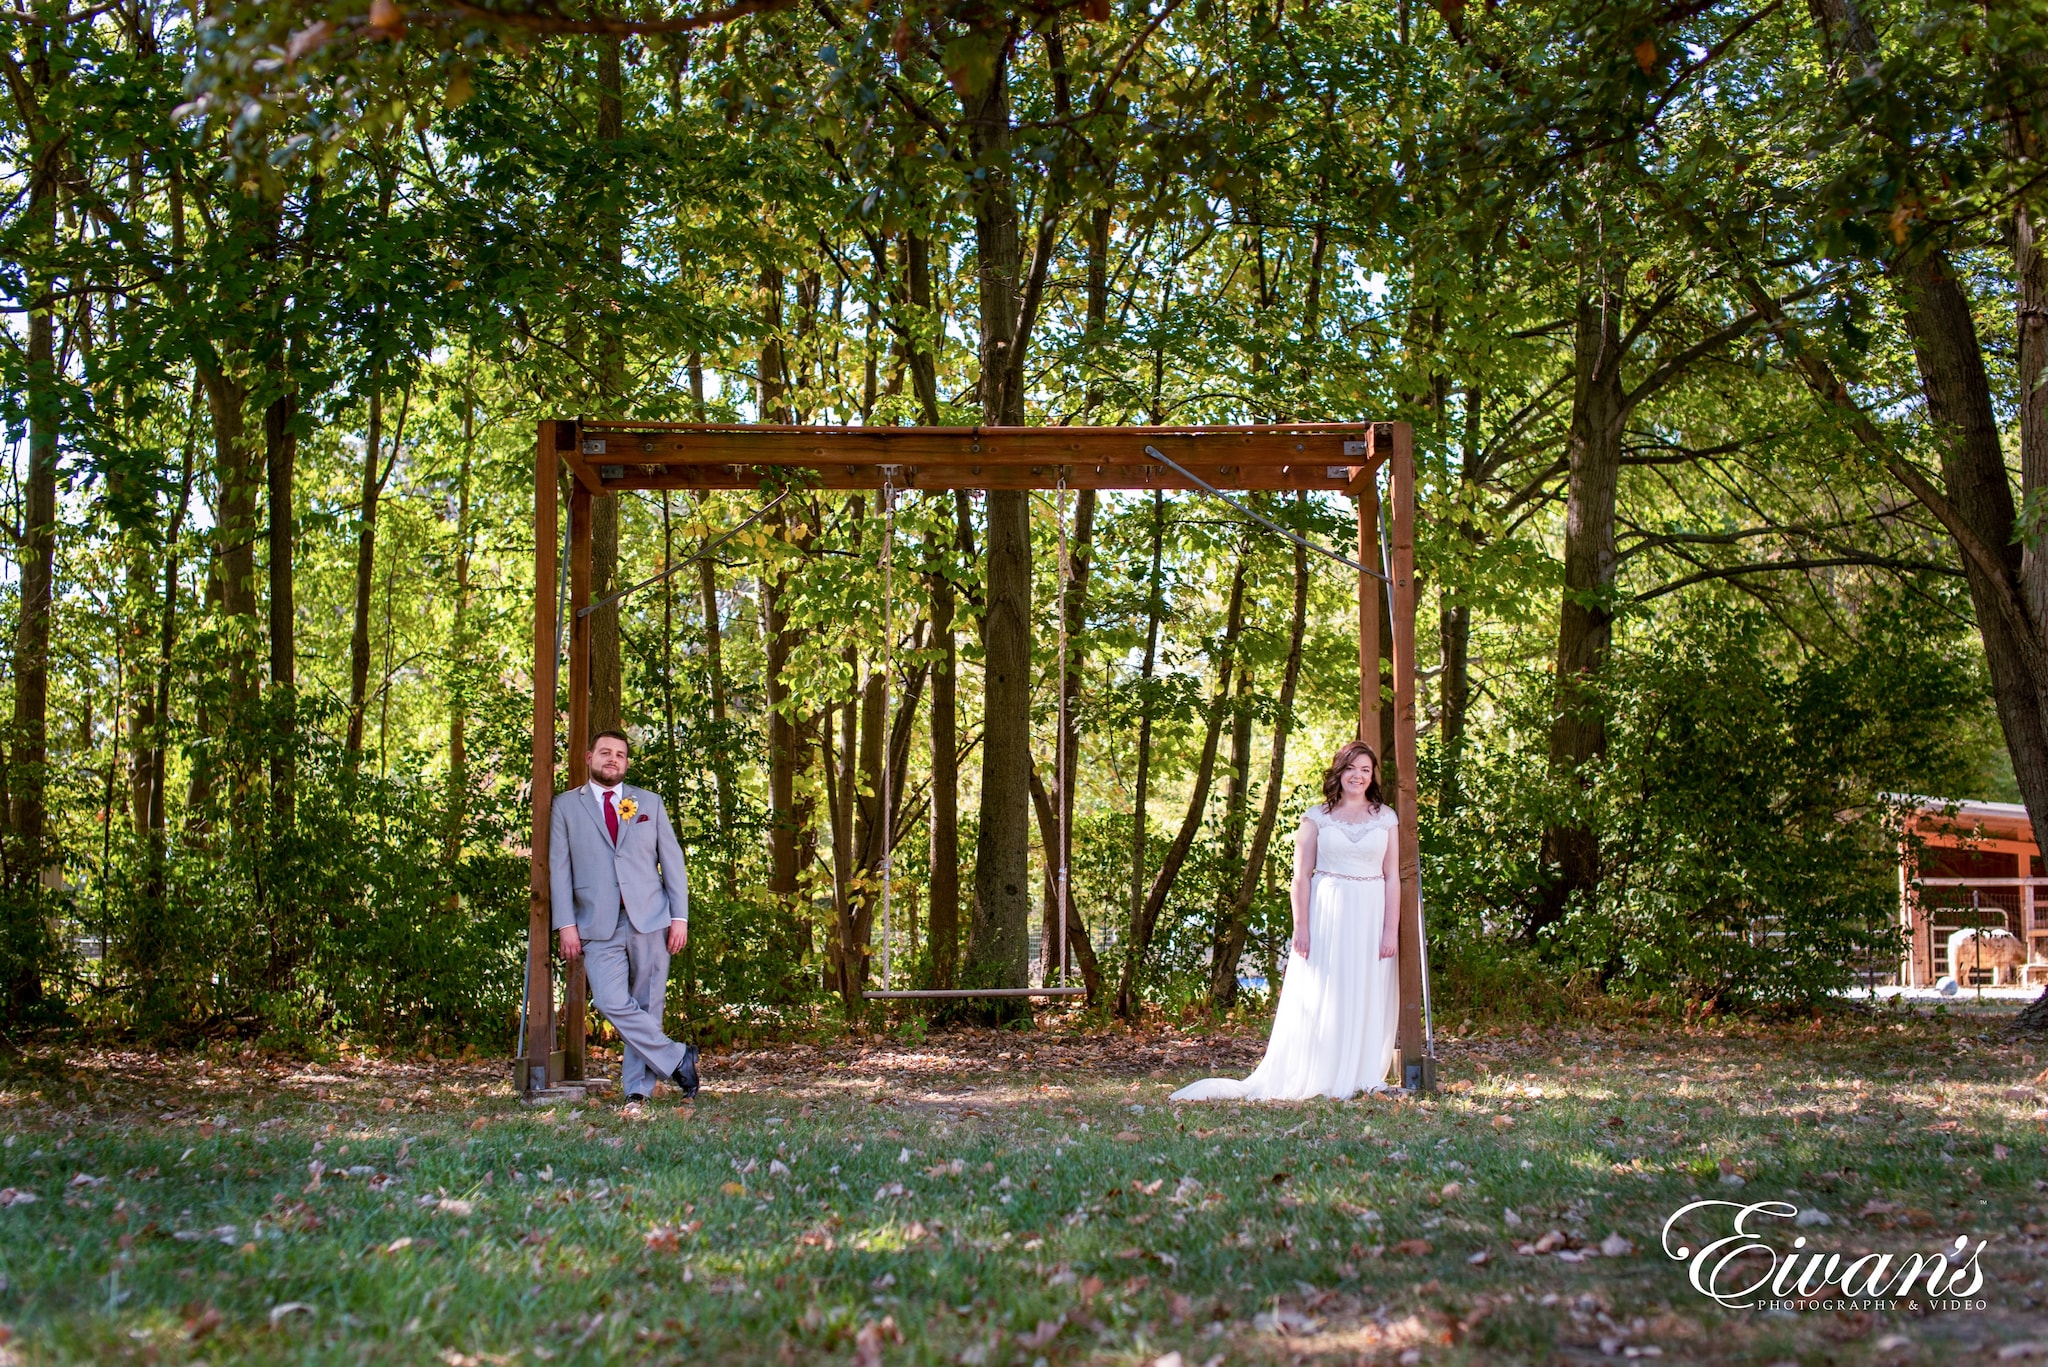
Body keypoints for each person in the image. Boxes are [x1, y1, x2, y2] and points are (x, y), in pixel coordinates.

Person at [1171, 739, 1400, 1101]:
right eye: (1351, 768)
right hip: (1328, 915)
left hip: (1371, 913)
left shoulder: (1385, 818)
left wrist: (1390, 930)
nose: (1358, 776)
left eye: (1365, 770)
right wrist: (1302, 927)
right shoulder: (1316, 817)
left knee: (1366, 987)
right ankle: (1323, 1073)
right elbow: (1301, 877)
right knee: (1330, 991)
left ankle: (1364, 1073)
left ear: (1372, 777)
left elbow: (1392, 877)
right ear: (1339, 772)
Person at [550, 729, 701, 1102]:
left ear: (627, 763)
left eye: (619, 754)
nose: (612, 759)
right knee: (609, 999)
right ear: (589, 758)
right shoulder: (567, 806)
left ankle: (638, 1090)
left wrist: (679, 917)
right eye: (605, 752)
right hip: (596, 923)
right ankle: (678, 1057)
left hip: (650, 918)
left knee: (648, 1004)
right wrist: (566, 925)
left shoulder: (649, 802)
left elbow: (673, 862)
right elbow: (559, 867)